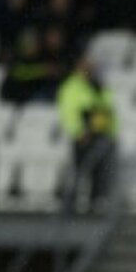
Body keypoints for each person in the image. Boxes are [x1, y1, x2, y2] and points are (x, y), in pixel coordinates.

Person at [57, 56, 118, 213]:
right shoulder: (71, 87)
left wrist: (112, 132)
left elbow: (109, 109)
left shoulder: (98, 85)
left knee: (99, 171)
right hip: (84, 136)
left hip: (101, 134)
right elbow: (68, 112)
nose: (89, 69)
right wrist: (78, 131)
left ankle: (94, 203)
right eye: (86, 65)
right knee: (80, 169)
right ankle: (70, 204)